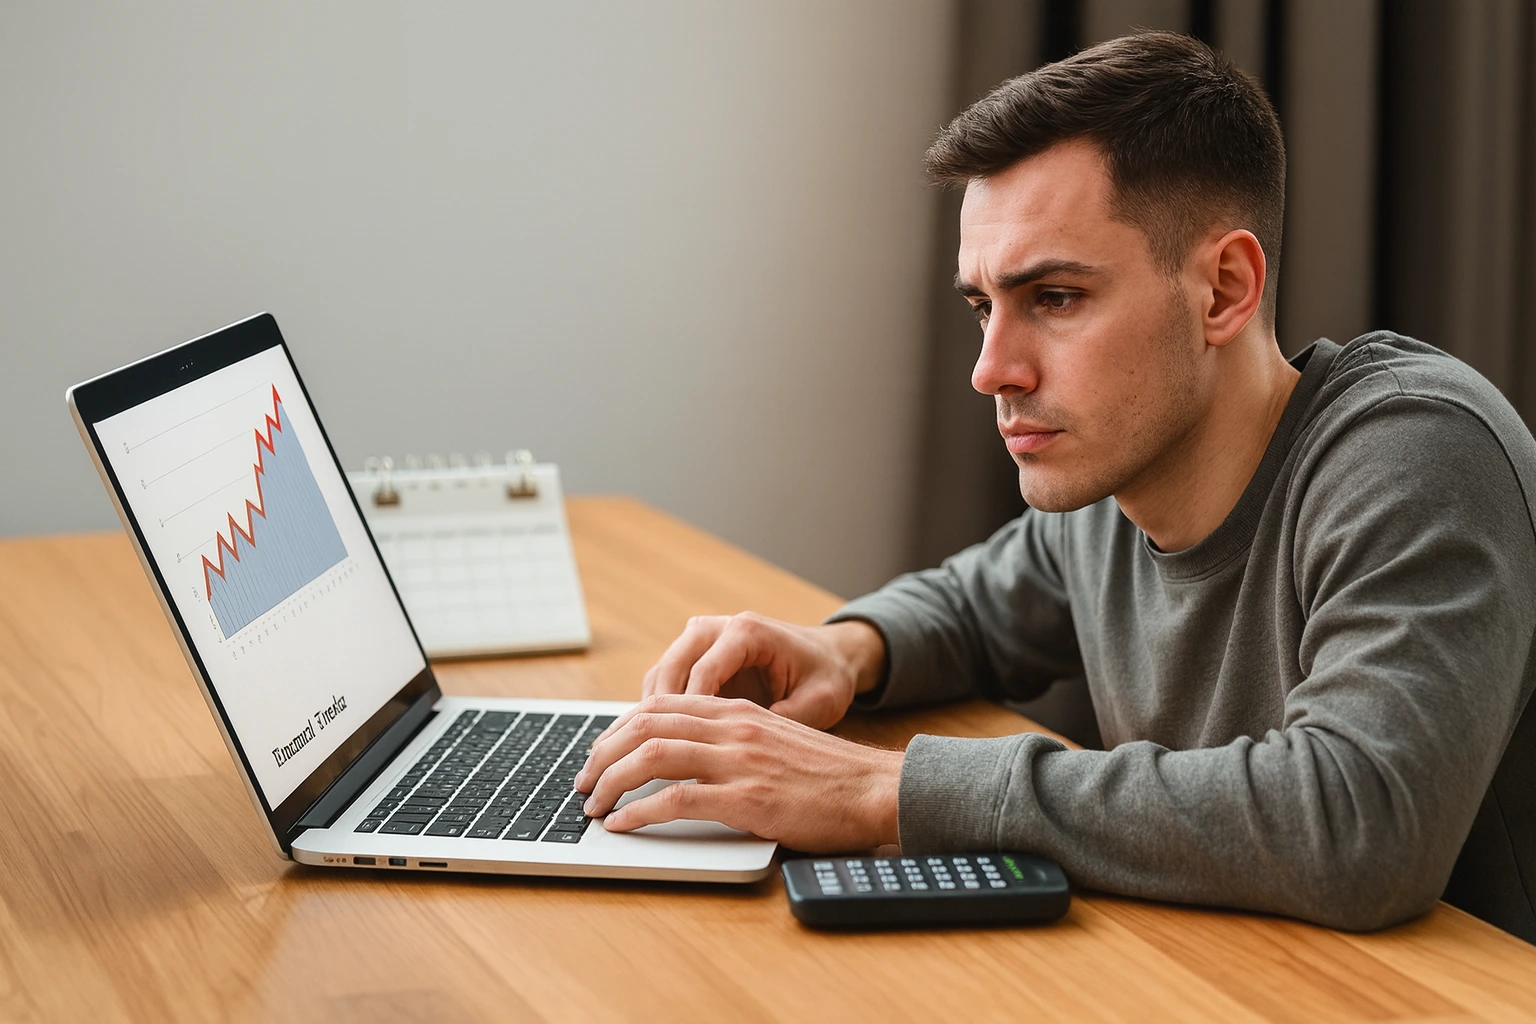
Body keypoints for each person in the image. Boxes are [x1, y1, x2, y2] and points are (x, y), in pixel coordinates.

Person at [575, 31, 1536, 938]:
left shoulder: (1417, 449)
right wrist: (842, 649)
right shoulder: (1118, 476)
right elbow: (972, 609)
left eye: (1055, 299)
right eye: (982, 305)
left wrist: (876, 791)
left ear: (1224, 289)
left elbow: (1360, 821)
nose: (992, 370)